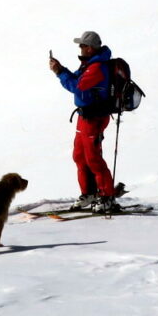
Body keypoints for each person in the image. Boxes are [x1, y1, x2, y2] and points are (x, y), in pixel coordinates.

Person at [49, 30, 120, 207]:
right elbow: (76, 79)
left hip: (94, 117)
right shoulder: (89, 64)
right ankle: (89, 194)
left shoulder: (97, 67)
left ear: (89, 48)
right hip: (85, 116)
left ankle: (106, 196)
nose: (80, 48)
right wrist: (62, 69)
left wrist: (59, 72)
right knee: (80, 156)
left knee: (93, 158)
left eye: (82, 45)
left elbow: (77, 86)